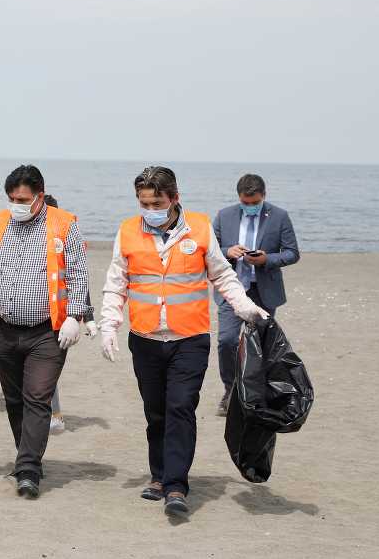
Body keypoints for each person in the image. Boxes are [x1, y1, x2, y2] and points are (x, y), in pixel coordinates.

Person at [98, 166, 268, 516]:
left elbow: (222, 275)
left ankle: (176, 485)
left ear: (174, 198)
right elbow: (117, 281)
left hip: (189, 339)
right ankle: (158, 477)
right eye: (143, 203)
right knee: (156, 412)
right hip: (145, 339)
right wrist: (108, 325)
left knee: (180, 406)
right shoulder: (128, 231)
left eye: (156, 202)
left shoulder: (201, 228)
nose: (149, 210)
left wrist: (246, 307)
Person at [0, 165, 92, 499]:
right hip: (4, 329)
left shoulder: (64, 224)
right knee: (14, 398)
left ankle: (28, 469)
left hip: (46, 333)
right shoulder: (0, 222)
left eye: (22, 198)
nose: (16, 204)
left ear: (39, 194)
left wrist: (75, 316)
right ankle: (28, 455)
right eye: (11, 198)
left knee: (37, 396)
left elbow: (78, 274)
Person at [213, 174, 300, 415]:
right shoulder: (224, 215)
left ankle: (257, 392)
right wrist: (228, 251)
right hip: (232, 290)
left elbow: (292, 253)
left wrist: (266, 259)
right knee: (227, 341)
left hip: (264, 292)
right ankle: (230, 390)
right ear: (239, 197)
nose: (250, 207)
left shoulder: (280, 216)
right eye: (245, 202)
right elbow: (209, 250)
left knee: (261, 345)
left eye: (255, 203)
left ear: (264, 196)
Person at [41, 194, 99, 435]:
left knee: (47, 372)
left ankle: (54, 415)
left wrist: (89, 318)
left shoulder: (66, 239)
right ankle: (44, 414)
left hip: (62, 320)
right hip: (27, 317)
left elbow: (79, 282)